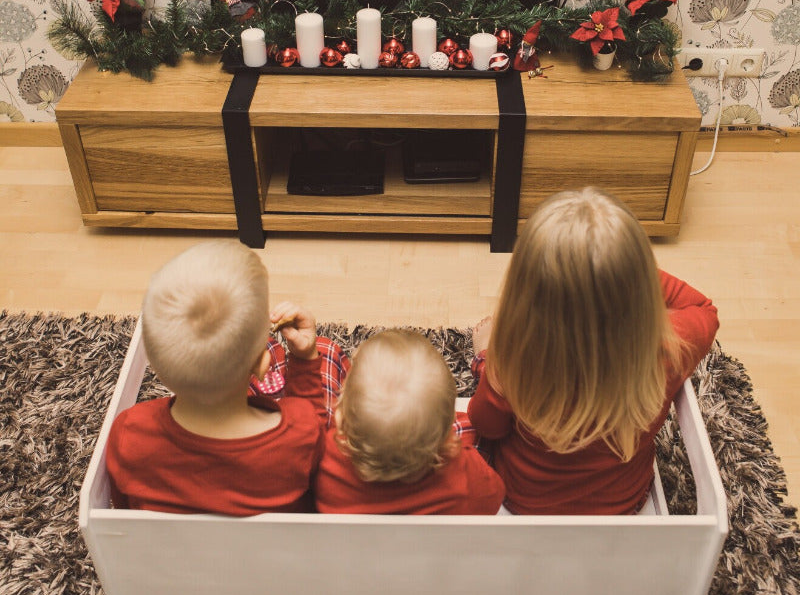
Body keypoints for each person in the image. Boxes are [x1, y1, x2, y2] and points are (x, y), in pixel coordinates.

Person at [468, 187, 719, 515]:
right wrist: (623, 273)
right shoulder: (669, 349)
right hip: (622, 505)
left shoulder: (513, 357)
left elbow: (486, 425)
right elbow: (703, 308)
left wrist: (484, 356)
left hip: (523, 503)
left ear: (524, 293)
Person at [106, 240, 345, 516]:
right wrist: (304, 360)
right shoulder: (300, 432)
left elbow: (126, 513)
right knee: (327, 352)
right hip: (279, 554)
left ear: (156, 366)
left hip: (175, 556)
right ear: (262, 362)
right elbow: (319, 458)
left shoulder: (130, 432)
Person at [314, 329, 505, 515]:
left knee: (324, 348)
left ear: (339, 419)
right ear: (447, 437)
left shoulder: (322, 460)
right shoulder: (464, 476)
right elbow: (494, 496)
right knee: (472, 424)